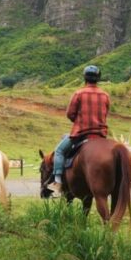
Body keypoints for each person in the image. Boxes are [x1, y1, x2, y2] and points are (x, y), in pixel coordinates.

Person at [47, 65, 110, 194]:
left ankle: (57, 182)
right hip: (100, 135)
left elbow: (70, 114)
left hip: (81, 134)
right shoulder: (105, 95)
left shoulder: (79, 93)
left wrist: (79, 121)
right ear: (98, 78)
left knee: (59, 151)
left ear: (84, 78)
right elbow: (105, 114)